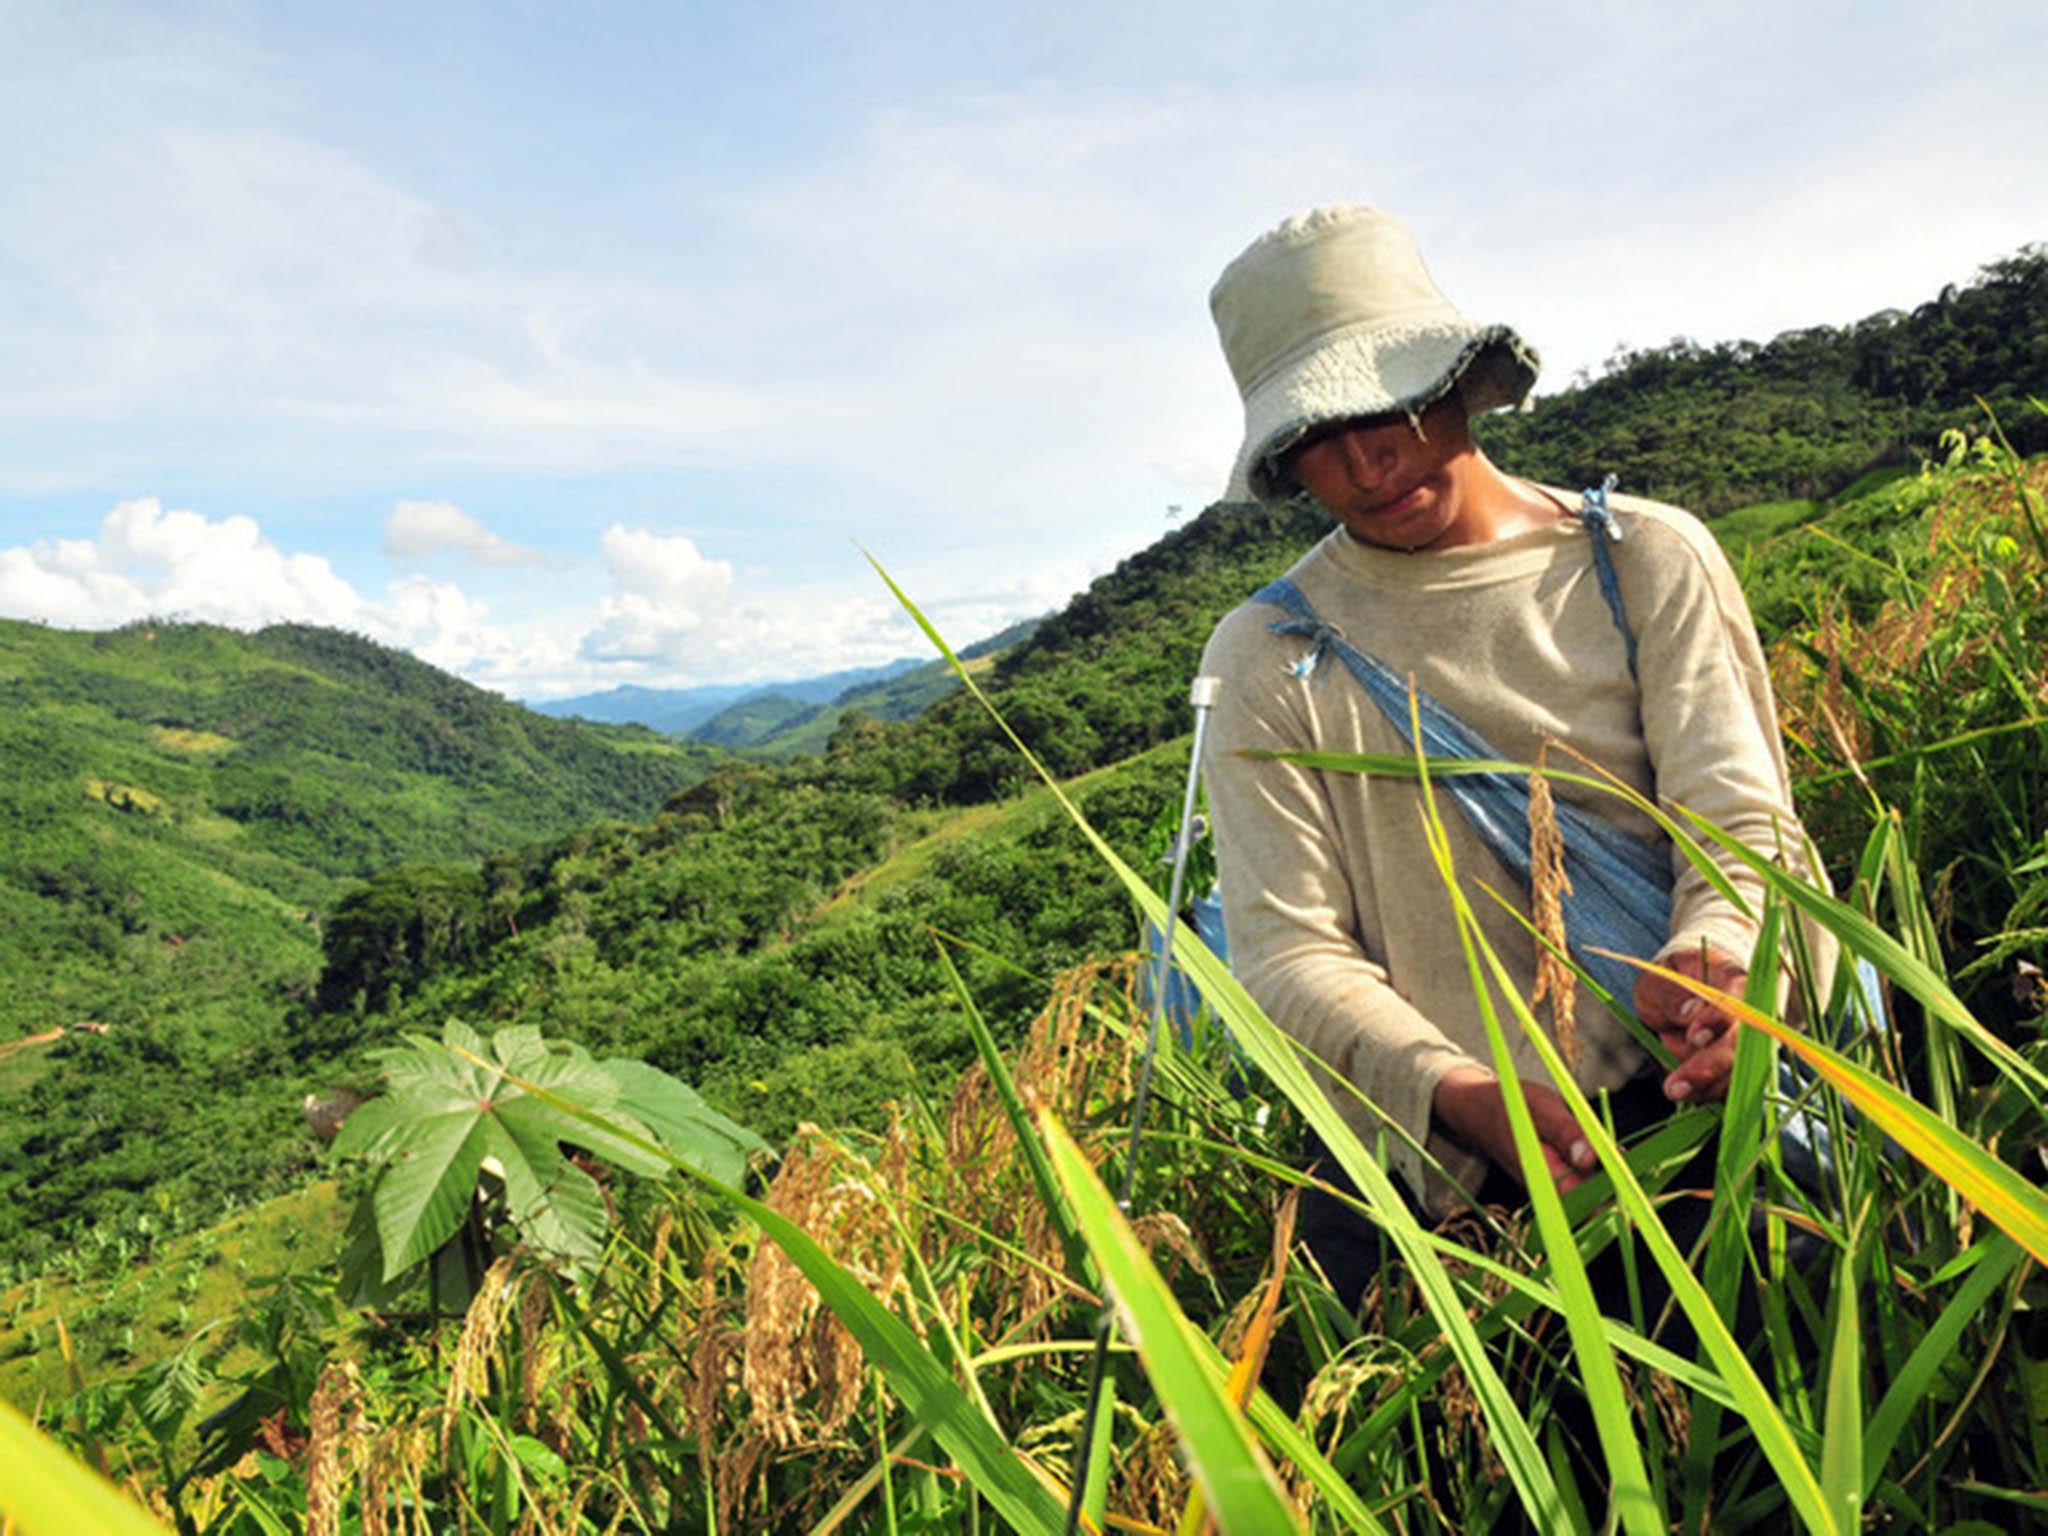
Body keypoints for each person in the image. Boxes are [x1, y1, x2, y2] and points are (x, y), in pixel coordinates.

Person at [1197, 205, 1828, 1286]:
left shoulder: (1640, 562)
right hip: (1448, 1185)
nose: (1365, 460)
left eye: (1386, 402)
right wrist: (1450, 1091)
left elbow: (1738, 818)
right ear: (1286, 462)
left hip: (1687, 1114)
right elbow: (1283, 949)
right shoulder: (1266, 654)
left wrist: (1717, 954)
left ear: (1454, 379)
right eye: (1316, 437)